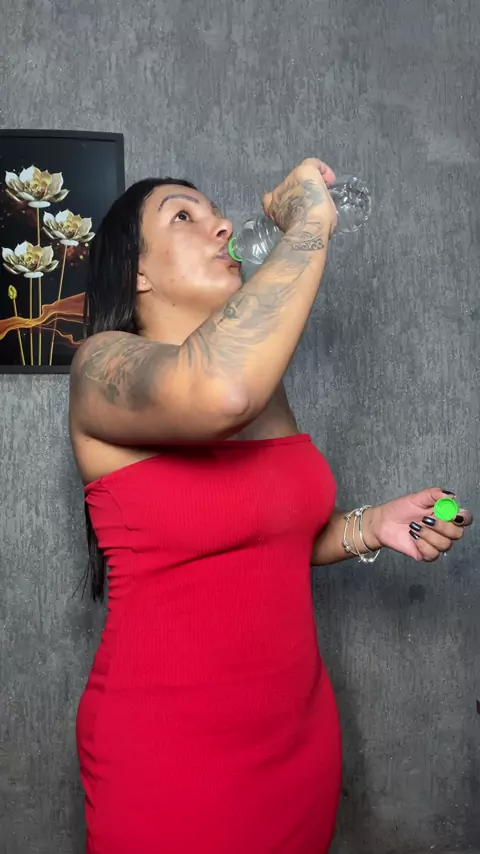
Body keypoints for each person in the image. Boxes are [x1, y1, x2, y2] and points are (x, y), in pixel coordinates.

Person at [69, 158, 472, 854]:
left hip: (296, 740)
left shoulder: (260, 383)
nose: (223, 225)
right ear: (136, 273)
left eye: (215, 211)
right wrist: (311, 220)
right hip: (168, 754)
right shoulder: (101, 367)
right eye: (184, 216)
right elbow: (221, 392)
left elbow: (262, 538)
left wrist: (369, 525)